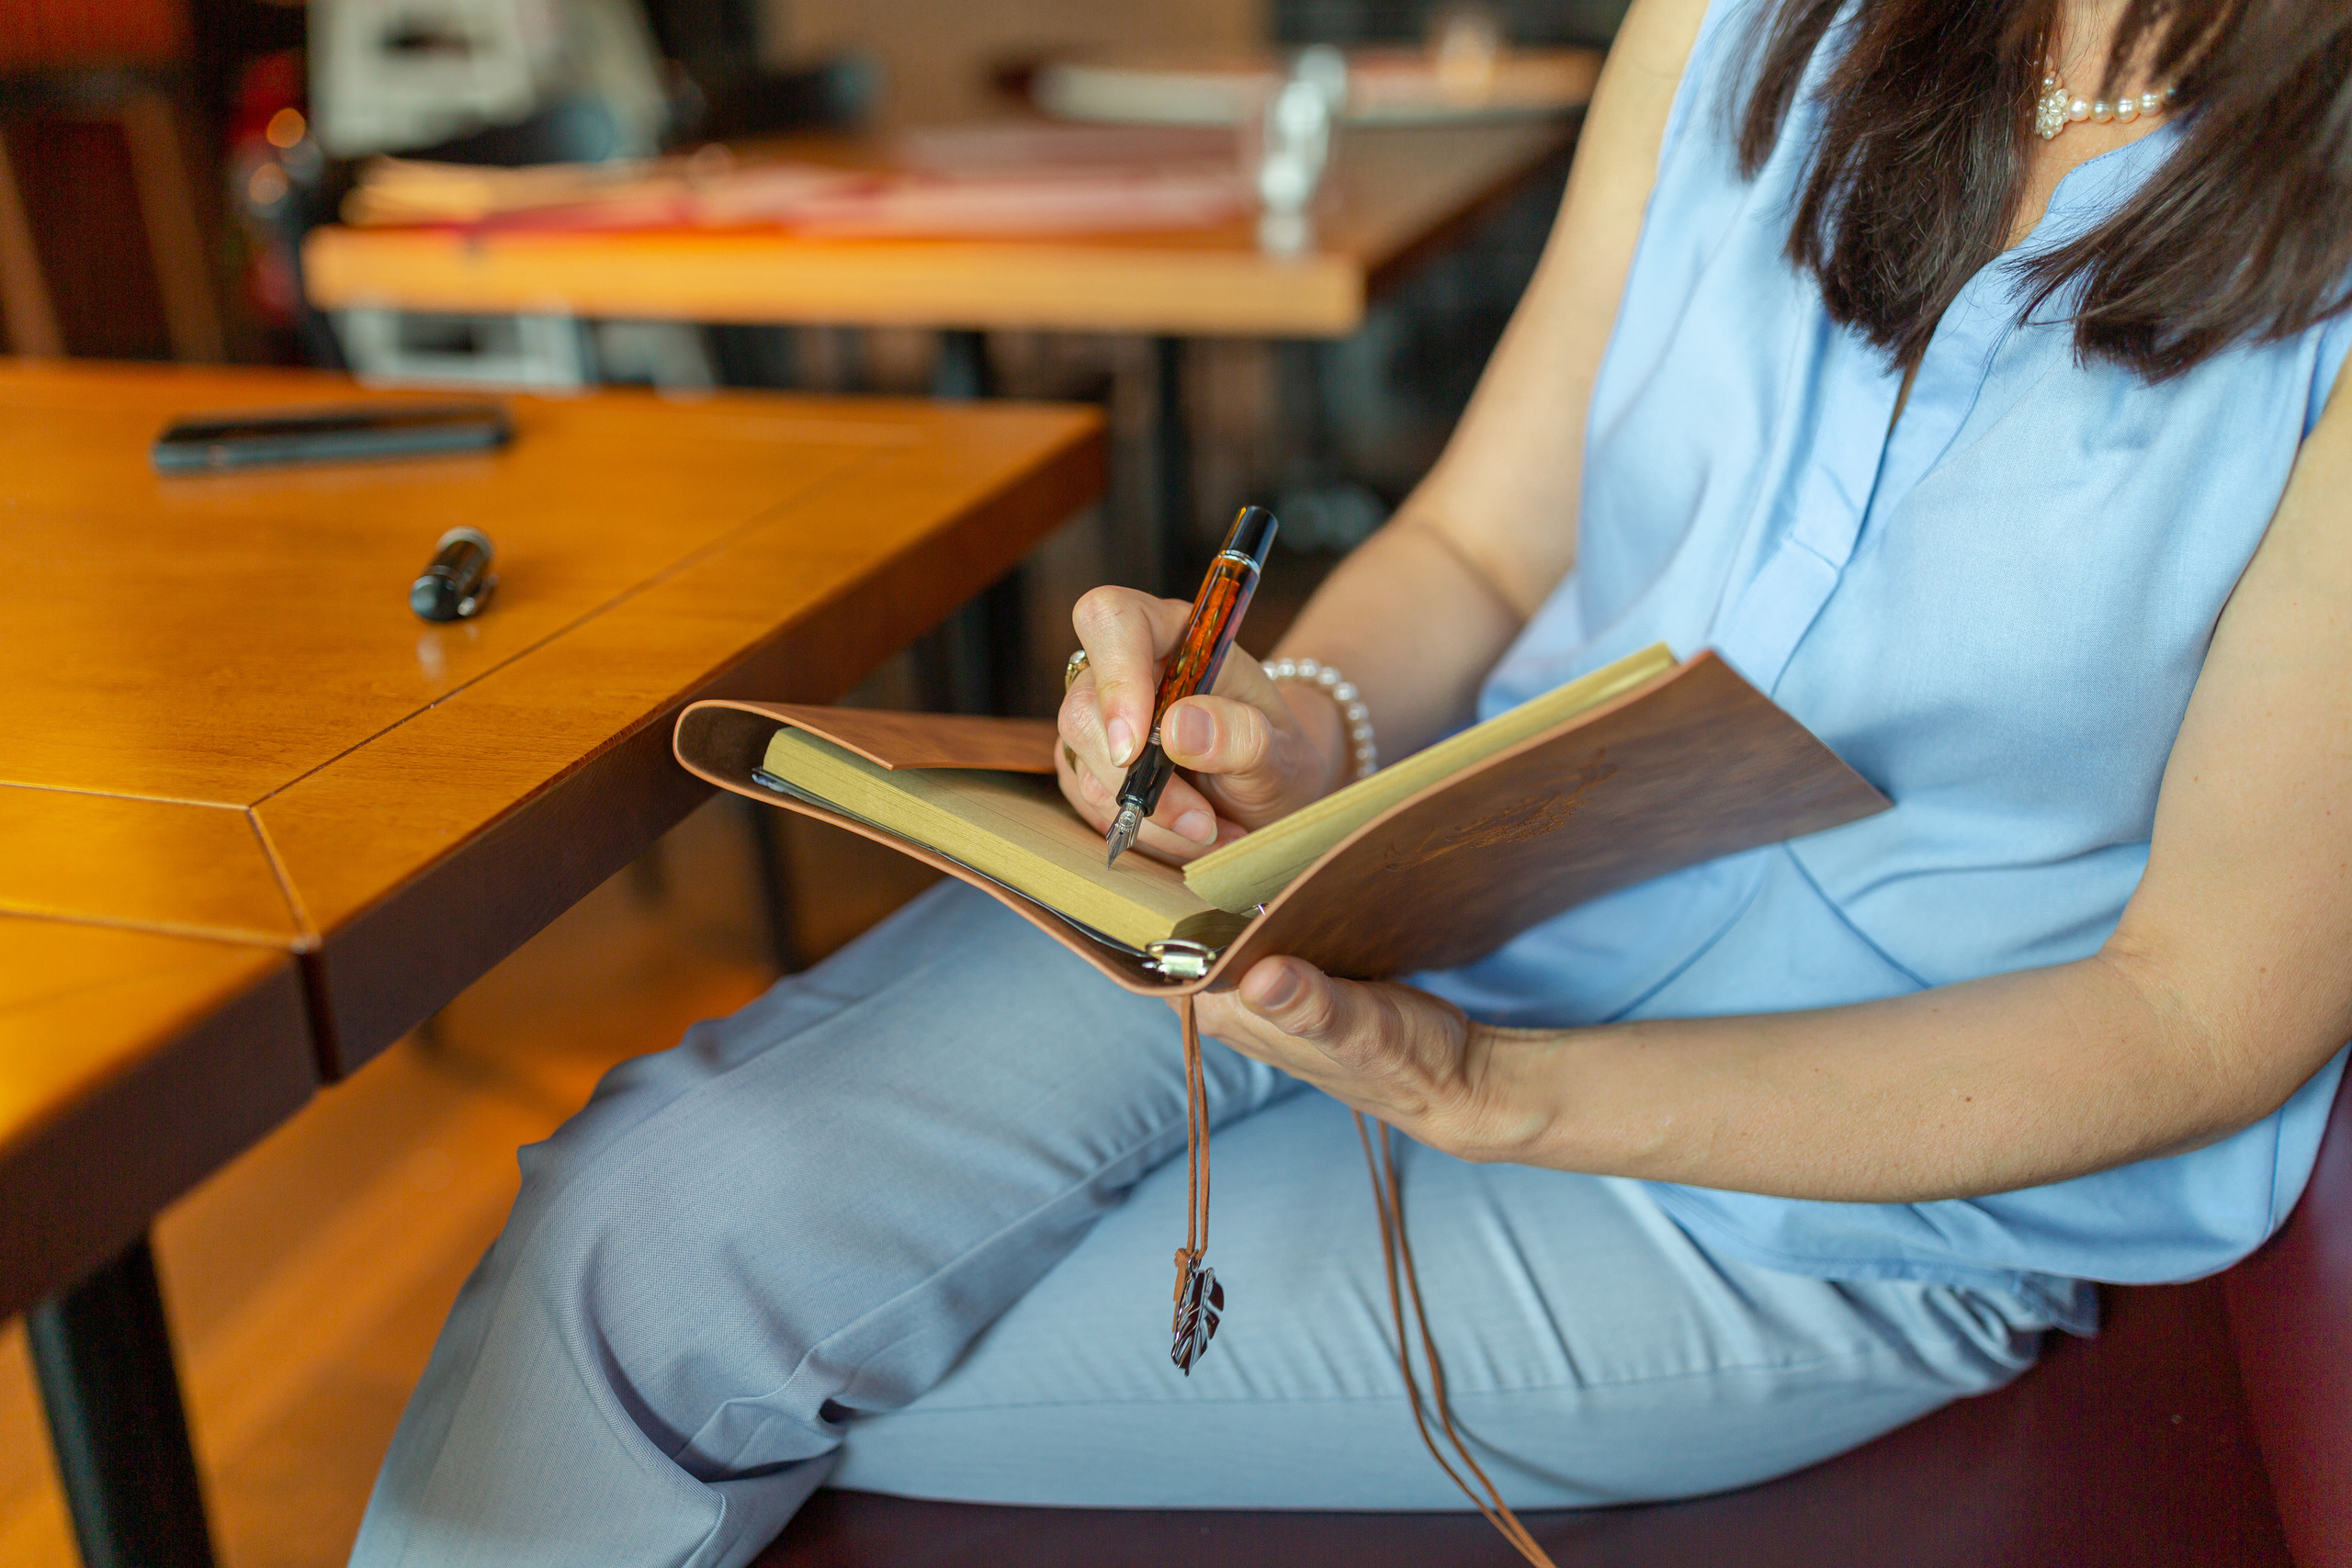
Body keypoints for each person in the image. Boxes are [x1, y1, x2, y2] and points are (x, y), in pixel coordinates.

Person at [350, 0, 2352, 1562]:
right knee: (637, 1225)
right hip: (1410, 892)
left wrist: (1500, 1095)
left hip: (1812, 1193)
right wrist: (1283, 725)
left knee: (677, 1369)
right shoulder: (1742, 27)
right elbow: (1482, 548)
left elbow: (2197, 1012)